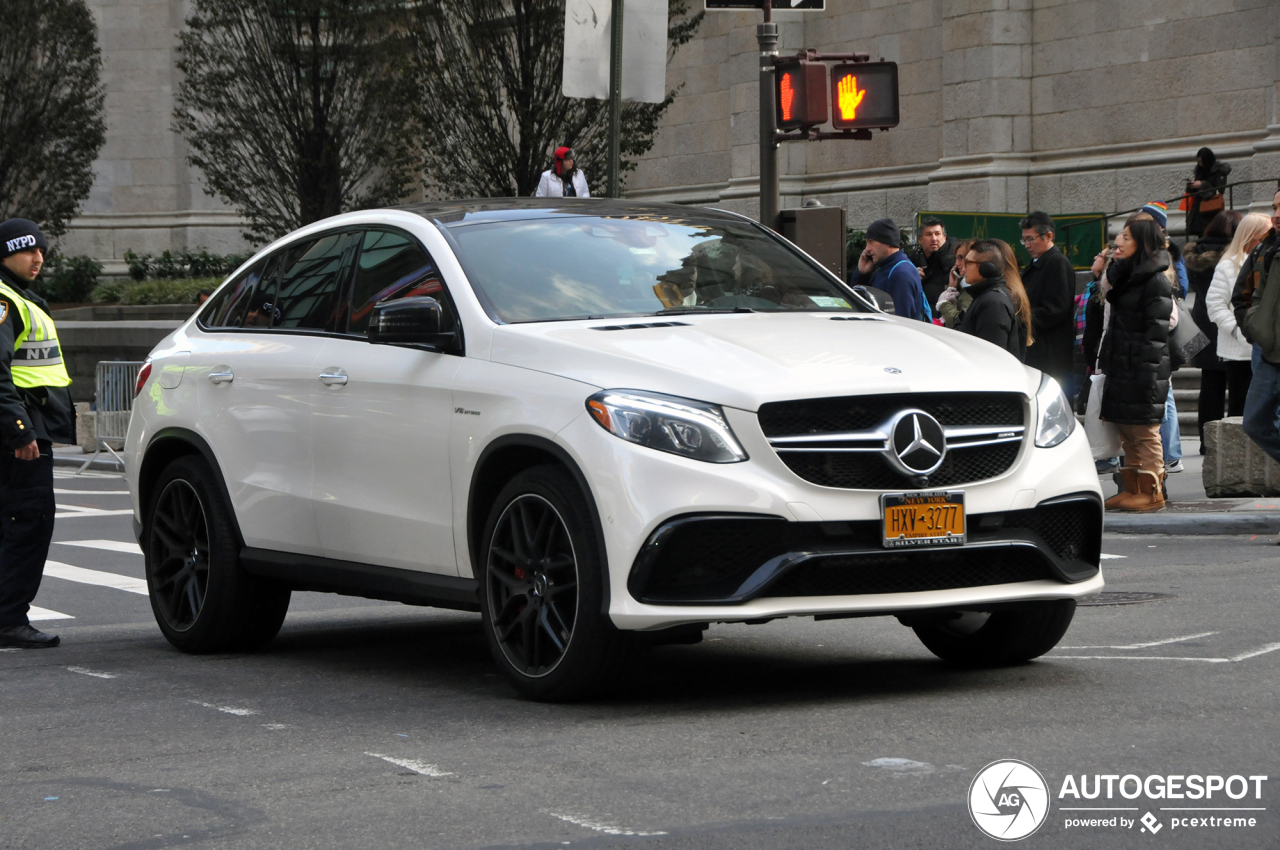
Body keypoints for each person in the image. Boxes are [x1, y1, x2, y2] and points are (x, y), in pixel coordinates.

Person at [0, 219, 76, 648]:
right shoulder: (6, 300)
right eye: (28, 250)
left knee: (12, 523)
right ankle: (9, 619)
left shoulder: (19, 297)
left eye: (41, 250)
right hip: (21, 434)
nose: (38, 257)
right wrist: (20, 431)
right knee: (29, 522)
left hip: (20, 428)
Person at [1098, 218, 1172, 511]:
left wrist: (1146, 373)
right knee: (1126, 431)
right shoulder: (1125, 276)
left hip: (1143, 368)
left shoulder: (1154, 280)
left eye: (1126, 237)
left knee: (1144, 431)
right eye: (1119, 236)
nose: (1118, 242)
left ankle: (1153, 493)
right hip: (1121, 364)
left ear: (1141, 242)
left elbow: (1157, 333)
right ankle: (1132, 488)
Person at [1231, 189, 1280, 543]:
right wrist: (1254, 326)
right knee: (1255, 422)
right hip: (1269, 353)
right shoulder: (1266, 248)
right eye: (1276, 206)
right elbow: (1243, 295)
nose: (1277, 213)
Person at [1130, 204, 1186, 471]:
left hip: (1158, 343)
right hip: (1152, 341)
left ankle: (1169, 456)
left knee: (1164, 398)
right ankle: (1169, 455)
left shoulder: (1163, 259)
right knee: (1166, 397)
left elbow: (1180, 289)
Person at [1188, 211, 1245, 442]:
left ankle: (1206, 441)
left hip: (1202, 322)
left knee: (1209, 385)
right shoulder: (1235, 256)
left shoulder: (1194, 254)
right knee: (1238, 386)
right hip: (1228, 322)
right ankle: (1234, 440)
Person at [1019, 211, 1076, 389]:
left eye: (1031, 239)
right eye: (1024, 240)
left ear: (1048, 236)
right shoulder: (1038, 262)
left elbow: (1057, 308)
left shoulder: (1057, 263)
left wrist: (1023, 320)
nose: (1027, 245)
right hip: (1037, 346)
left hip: (1050, 350)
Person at [954, 240, 1026, 359]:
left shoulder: (994, 303)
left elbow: (991, 357)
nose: (963, 267)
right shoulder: (986, 297)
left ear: (985, 268)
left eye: (967, 262)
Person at [853, 218, 931, 321]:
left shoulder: (901, 273)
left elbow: (901, 321)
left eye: (871, 242)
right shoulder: (886, 268)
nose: (867, 249)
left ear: (887, 241)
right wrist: (863, 274)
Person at [908, 217, 957, 309]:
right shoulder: (912, 262)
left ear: (945, 237)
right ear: (920, 240)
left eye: (937, 234)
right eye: (929, 234)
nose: (934, 239)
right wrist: (912, 279)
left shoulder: (955, 261)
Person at [1184, 147, 1233, 238]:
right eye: (1199, 162)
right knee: (1200, 234)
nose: (1201, 164)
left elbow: (1220, 190)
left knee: (1211, 232)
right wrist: (1192, 186)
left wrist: (1202, 184)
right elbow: (1197, 188)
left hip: (1211, 208)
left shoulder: (1219, 171)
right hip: (1198, 208)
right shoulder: (1199, 170)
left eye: (1202, 161)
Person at [934, 239, 972, 328]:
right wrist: (952, 286)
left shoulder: (971, 289)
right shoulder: (962, 285)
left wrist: (944, 303)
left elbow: (958, 322)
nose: (957, 263)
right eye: (956, 258)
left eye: (961, 258)